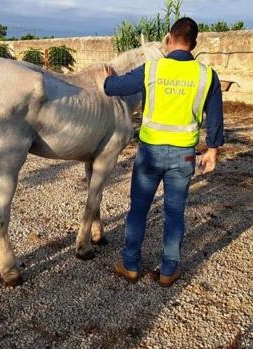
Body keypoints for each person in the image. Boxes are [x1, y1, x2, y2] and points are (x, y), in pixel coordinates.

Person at [104, 17, 224, 287]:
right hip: (183, 155)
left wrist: (109, 80)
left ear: (169, 38)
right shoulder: (206, 75)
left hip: (150, 154)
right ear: (195, 43)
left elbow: (113, 88)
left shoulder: (152, 69)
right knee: (174, 212)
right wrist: (212, 151)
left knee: (138, 209)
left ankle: (130, 264)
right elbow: (216, 118)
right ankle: (169, 270)